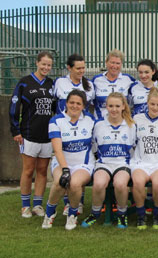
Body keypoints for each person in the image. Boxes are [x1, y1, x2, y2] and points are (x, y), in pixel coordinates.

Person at [42, 90, 95, 230]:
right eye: (71, 102)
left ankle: (72, 215)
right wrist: (65, 169)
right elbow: (57, 149)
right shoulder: (56, 121)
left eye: (78, 103)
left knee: (75, 184)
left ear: (84, 106)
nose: (74, 106)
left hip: (83, 163)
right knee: (60, 182)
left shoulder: (90, 120)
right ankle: (50, 213)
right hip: (62, 161)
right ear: (66, 103)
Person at [9, 51, 54, 218]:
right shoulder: (24, 83)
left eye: (49, 65)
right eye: (43, 64)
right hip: (28, 134)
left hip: (47, 136)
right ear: (37, 63)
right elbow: (14, 107)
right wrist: (16, 130)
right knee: (28, 170)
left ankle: (37, 205)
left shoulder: (52, 84)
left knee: (42, 171)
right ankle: (25, 206)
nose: (46, 67)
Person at [82, 92, 136, 229]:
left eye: (117, 106)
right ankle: (95, 213)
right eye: (110, 106)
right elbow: (93, 145)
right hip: (104, 163)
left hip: (122, 163)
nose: (114, 109)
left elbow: (135, 147)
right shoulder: (99, 124)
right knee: (99, 184)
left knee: (120, 184)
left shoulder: (131, 125)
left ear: (123, 106)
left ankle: (122, 213)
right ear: (106, 106)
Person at [53, 53, 94, 216]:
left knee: (80, 164)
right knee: (66, 164)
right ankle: (66, 204)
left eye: (83, 68)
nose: (81, 71)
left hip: (82, 128)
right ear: (69, 68)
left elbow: (92, 107)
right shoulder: (60, 83)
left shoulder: (89, 85)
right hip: (64, 129)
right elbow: (53, 105)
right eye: (78, 68)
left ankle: (79, 202)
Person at [131, 87, 158, 230]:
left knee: (157, 185)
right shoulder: (136, 120)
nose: (155, 107)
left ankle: (157, 215)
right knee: (137, 183)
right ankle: (141, 215)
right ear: (147, 103)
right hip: (140, 162)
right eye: (152, 104)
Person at [92, 49, 135, 119]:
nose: (114, 66)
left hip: (122, 124)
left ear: (121, 64)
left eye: (118, 63)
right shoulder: (96, 80)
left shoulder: (128, 79)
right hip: (101, 123)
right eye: (112, 62)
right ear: (106, 62)